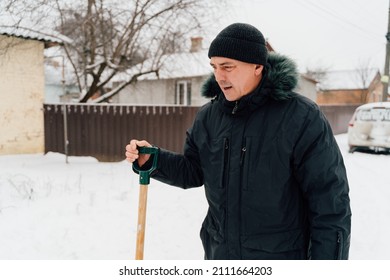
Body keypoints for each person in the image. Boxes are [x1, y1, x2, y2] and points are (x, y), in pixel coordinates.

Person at [125, 23, 351, 260]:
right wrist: (153, 160)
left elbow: (330, 205)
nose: (219, 76)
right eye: (214, 67)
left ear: (257, 66)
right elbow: (194, 171)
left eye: (228, 67)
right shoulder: (208, 118)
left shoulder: (301, 117)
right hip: (221, 256)